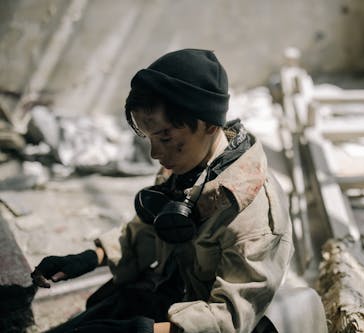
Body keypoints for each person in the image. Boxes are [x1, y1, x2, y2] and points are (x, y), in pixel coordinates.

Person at [31, 49, 294, 333]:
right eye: (150, 137)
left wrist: (141, 331)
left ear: (208, 124)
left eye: (166, 138)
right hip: (173, 294)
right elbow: (148, 230)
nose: (156, 153)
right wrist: (87, 258)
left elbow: (228, 319)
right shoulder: (187, 164)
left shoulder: (253, 216)